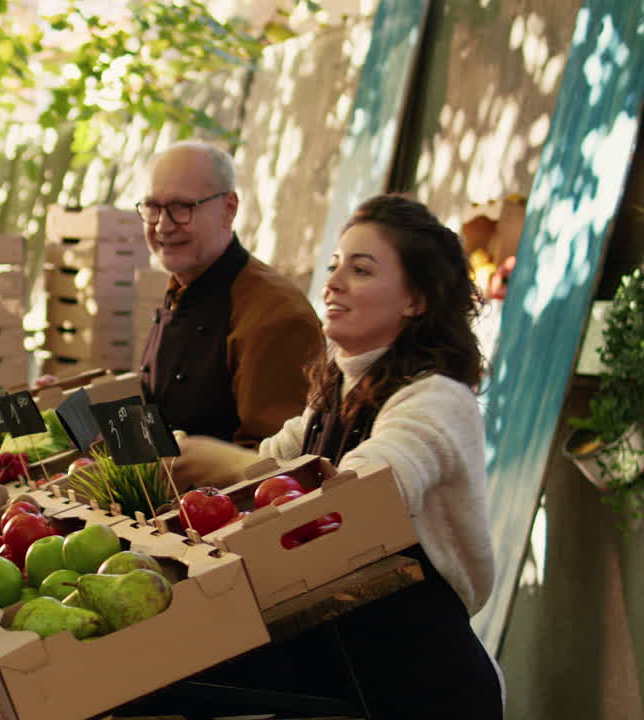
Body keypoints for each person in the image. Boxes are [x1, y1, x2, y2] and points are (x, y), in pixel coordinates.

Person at [177, 194, 502, 718]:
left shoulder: (437, 401)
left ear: (416, 299)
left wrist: (228, 465)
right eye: (334, 266)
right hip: (341, 682)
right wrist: (174, 461)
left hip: (425, 690)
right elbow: (271, 459)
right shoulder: (335, 395)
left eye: (361, 269)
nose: (333, 284)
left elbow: (367, 491)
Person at [137, 141, 323, 450]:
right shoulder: (182, 286)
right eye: (153, 207)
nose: (163, 225)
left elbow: (270, 466)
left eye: (182, 207)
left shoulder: (277, 315)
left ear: (229, 208)